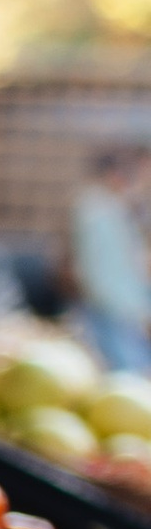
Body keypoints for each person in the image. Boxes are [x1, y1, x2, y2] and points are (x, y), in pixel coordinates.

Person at [69, 146, 151, 375]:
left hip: (121, 307)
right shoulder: (96, 210)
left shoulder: (113, 207)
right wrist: (134, 309)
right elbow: (102, 271)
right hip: (114, 309)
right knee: (127, 371)